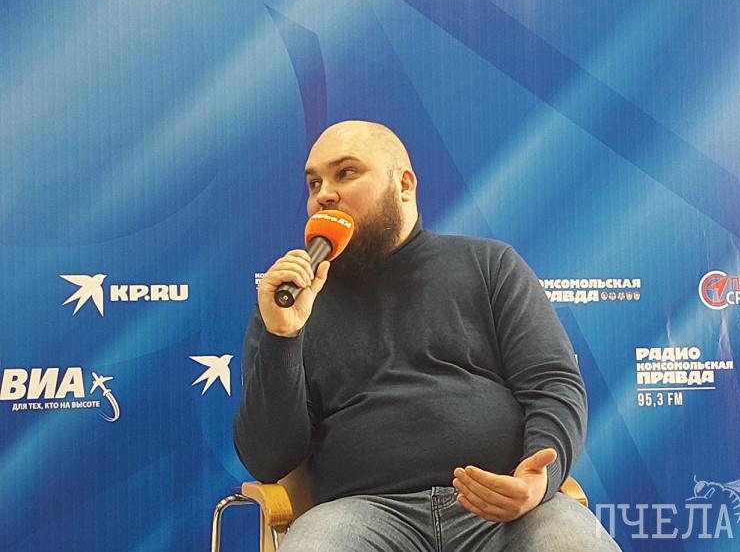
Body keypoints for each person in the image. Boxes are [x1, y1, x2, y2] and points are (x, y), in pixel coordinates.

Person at [234, 120, 620, 551]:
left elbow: (552, 384)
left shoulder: (490, 265)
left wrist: (538, 479)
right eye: (313, 183)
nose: (324, 194)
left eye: (346, 173)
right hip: (361, 516)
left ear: (404, 184)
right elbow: (268, 459)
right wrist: (283, 338)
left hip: (505, 513)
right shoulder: (291, 303)